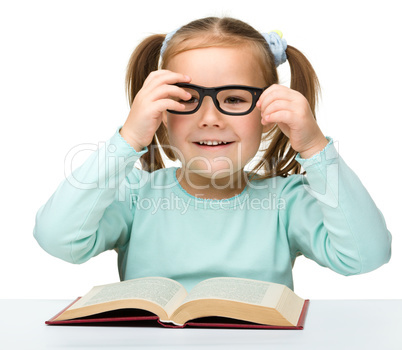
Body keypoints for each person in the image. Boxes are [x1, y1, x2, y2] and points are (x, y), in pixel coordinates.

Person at [34, 17, 391, 292]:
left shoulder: (287, 202)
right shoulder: (133, 195)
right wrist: (127, 138)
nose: (210, 119)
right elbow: (58, 239)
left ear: (268, 113)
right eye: (187, 99)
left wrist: (314, 147)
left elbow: (365, 256)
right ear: (160, 115)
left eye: (234, 99)